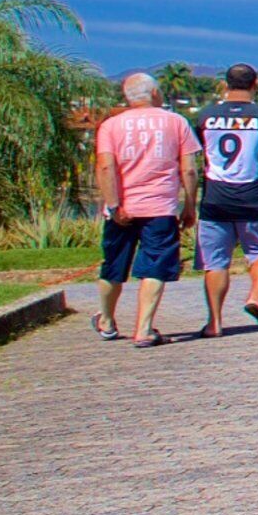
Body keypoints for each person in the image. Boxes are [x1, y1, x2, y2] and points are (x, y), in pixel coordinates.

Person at [91, 72, 200, 348]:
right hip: (160, 207)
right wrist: (189, 205)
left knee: (113, 265)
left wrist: (115, 205)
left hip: (122, 209)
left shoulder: (110, 126)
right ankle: (144, 328)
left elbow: (106, 166)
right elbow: (188, 168)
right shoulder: (176, 122)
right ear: (154, 94)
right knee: (155, 266)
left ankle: (106, 319)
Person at [192, 64, 258, 335]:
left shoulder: (205, 116)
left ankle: (214, 322)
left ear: (225, 85)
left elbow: (195, 150)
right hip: (255, 200)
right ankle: (257, 296)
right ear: (255, 85)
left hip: (215, 199)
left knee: (215, 262)